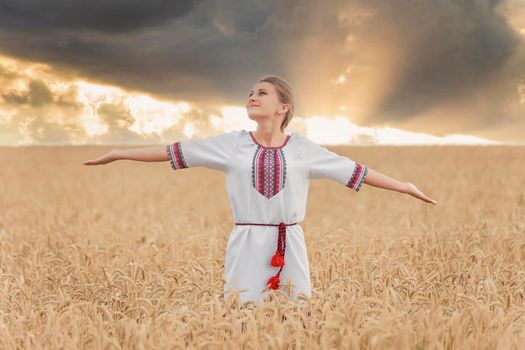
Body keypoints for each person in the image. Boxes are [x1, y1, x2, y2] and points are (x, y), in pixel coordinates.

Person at [83, 74, 438, 304]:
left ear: (283, 107)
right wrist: (119, 153)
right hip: (246, 241)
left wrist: (405, 187)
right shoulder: (230, 144)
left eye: (262, 93)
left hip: (290, 242)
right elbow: (173, 150)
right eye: (250, 93)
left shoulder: (304, 149)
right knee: (241, 315)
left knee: (295, 316)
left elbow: (355, 171)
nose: (252, 97)